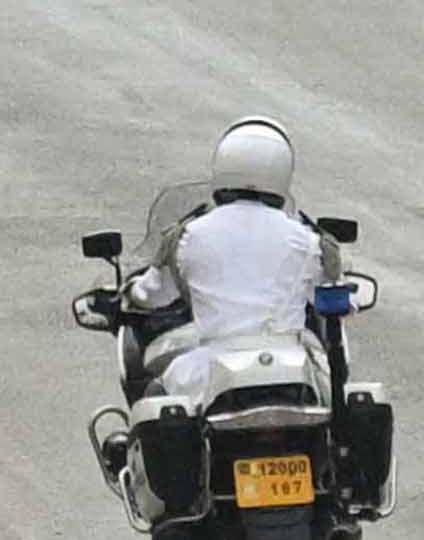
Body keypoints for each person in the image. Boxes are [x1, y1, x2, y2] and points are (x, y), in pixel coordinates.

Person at [141, 120, 330, 404]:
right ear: (282, 172)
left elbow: (154, 294)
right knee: (334, 400)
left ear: (222, 166)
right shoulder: (307, 239)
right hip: (292, 369)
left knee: (155, 401)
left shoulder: (189, 236)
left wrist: (131, 294)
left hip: (212, 369)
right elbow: (328, 291)